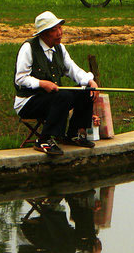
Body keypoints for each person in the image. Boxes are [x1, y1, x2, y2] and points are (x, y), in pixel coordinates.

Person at [14, 11, 99, 156]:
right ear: (43, 33)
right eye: (54, 30)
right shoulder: (28, 48)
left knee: (84, 90)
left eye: (60, 28)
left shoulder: (60, 48)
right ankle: (44, 139)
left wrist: (90, 81)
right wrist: (41, 83)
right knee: (63, 96)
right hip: (29, 102)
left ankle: (73, 134)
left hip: (53, 99)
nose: (59, 33)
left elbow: (72, 69)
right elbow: (20, 78)